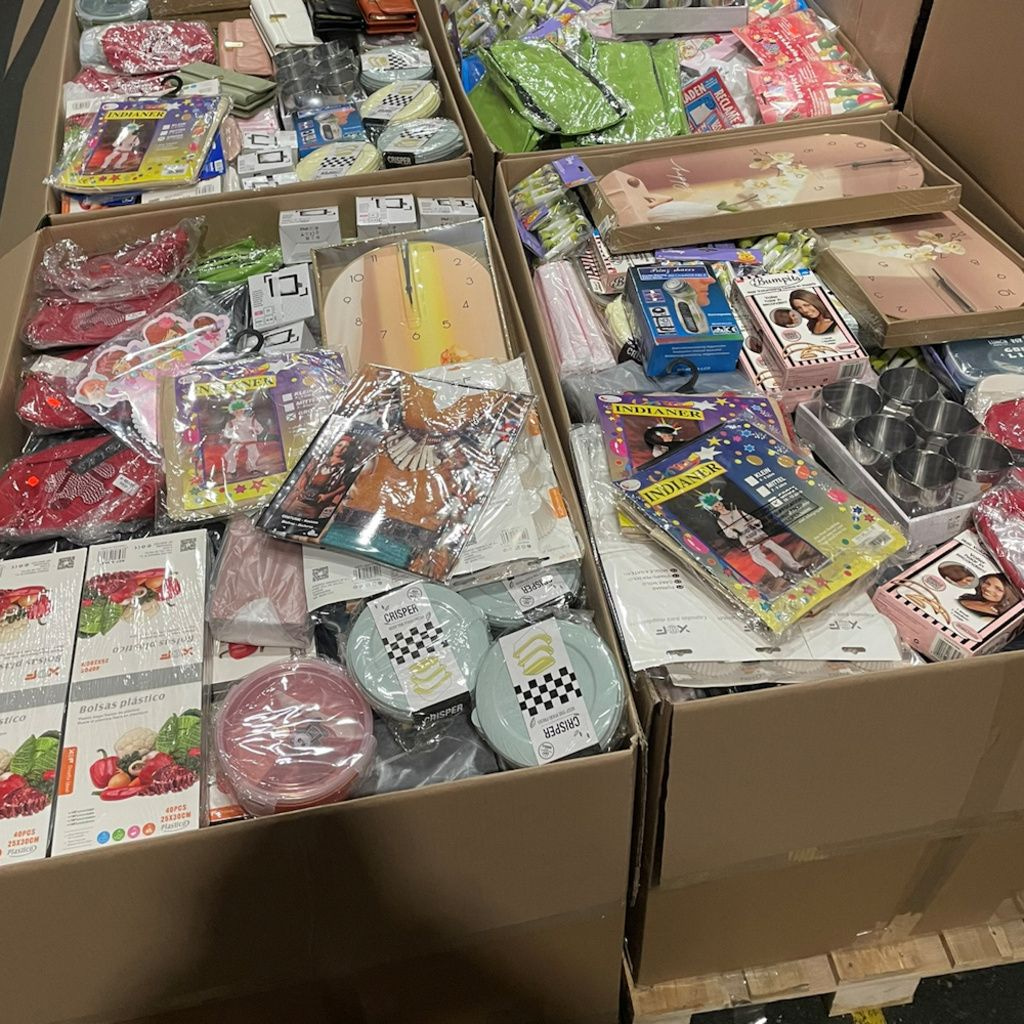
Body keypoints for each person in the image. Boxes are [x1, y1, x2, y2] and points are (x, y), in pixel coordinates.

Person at [708, 498, 803, 580]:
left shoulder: (737, 511)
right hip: (746, 539)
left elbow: (753, 519)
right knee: (757, 557)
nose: (719, 507)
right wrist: (734, 531)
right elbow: (729, 534)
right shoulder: (721, 520)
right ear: (714, 509)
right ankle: (780, 573)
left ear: (721, 503)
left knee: (776, 548)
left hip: (756, 533)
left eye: (719, 504)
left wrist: (754, 523)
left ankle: (797, 566)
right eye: (716, 507)